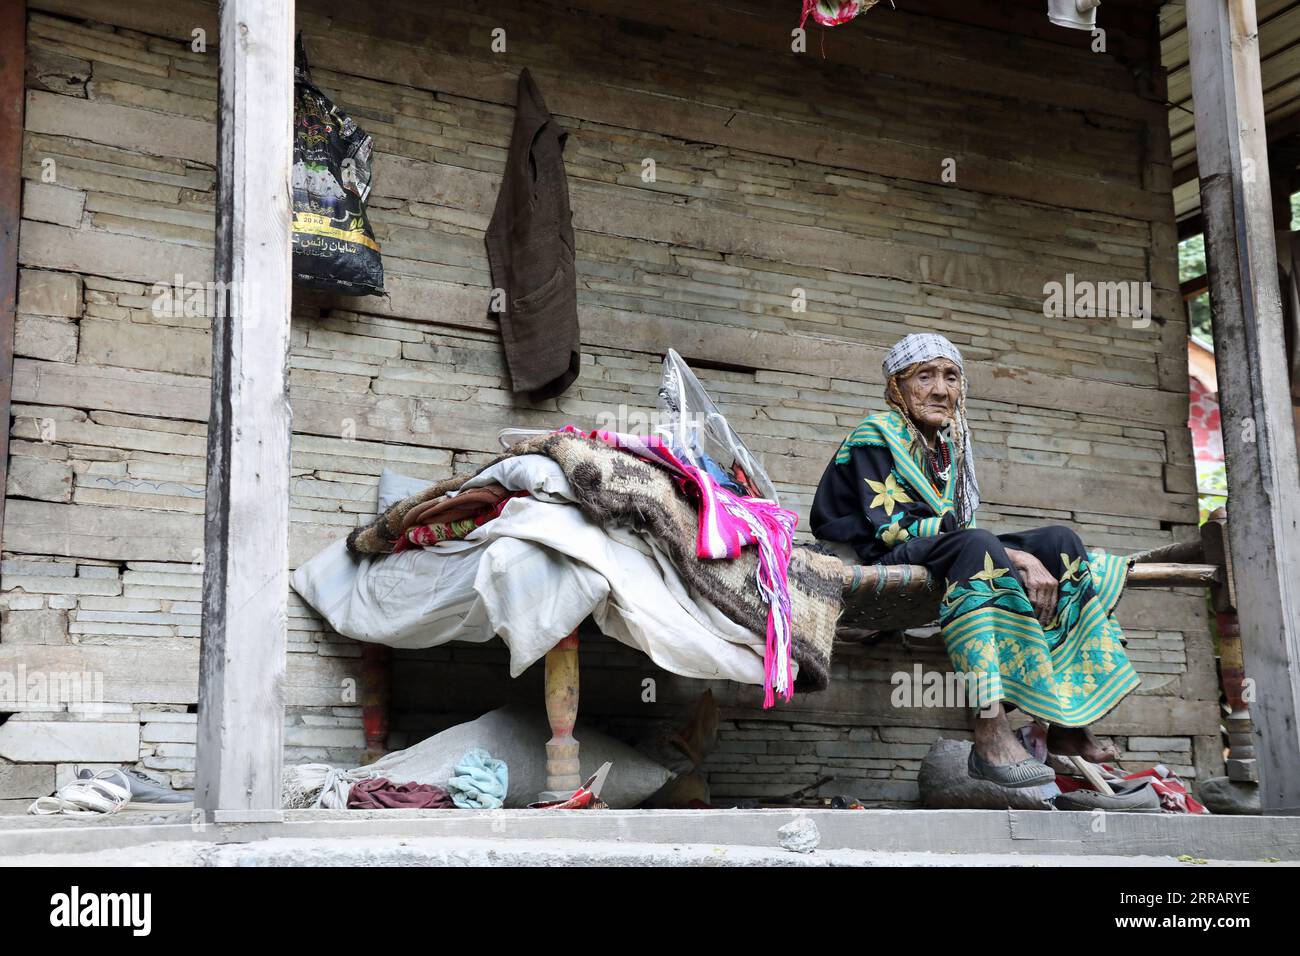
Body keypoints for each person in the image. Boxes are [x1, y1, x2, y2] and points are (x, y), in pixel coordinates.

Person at [811, 333, 1137, 788]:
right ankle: (990, 730)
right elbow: (894, 529)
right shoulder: (875, 434)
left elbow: (957, 525)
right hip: (878, 551)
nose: (941, 390)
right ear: (897, 388)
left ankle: (1067, 722)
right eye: (924, 377)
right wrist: (1011, 555)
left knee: (1059, 541)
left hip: (942, 546)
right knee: (980, 545)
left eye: (951, 377)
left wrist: (1017, 552)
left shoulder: (948, 443)